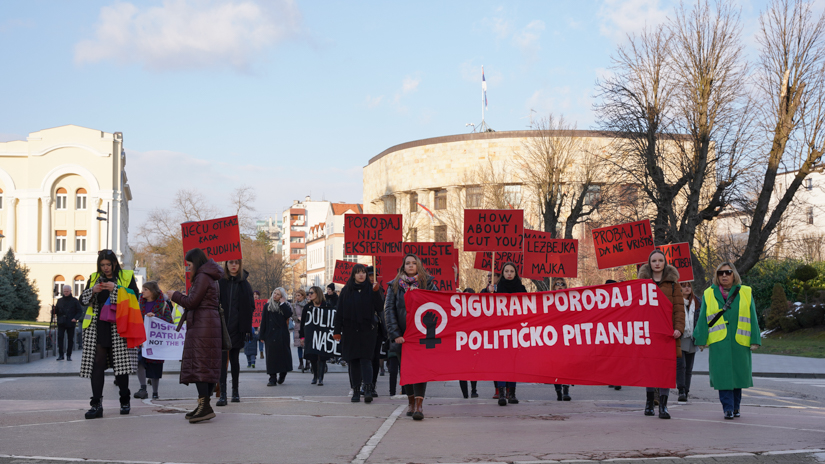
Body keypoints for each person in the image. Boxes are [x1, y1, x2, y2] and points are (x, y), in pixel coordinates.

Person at [693, 262, 761, 420]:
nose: (724, 275)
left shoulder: (745, 291)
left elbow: (753, 316)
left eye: (728, 272)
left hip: (740, 341)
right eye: (720, 273)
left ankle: (736, 407)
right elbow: (703, 317)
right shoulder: (708, 293)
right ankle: (728, 409)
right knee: (723, 377)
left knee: (738, 376)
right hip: (719, 342)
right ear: (716, 276)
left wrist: (755, 339)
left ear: (734, 274)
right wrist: (701, 339)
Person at [79, 249, 140, 419]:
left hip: (119, 325)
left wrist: (116, 288)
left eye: (108, 264)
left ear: (114, 263)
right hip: (98, 326)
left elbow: (135, 297)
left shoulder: (126, 276)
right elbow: (82, 300)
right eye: (102, 265)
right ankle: (96, 405)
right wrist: (93, 291)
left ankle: (125, 399)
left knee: (120, 366)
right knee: (96, 365)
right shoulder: (94, 277)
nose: (105, 268)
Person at [168, 248, 223, 423]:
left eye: (189, 265)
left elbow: (191, 302)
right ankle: (203, 405)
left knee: (201, 365)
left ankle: (204, 406)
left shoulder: (202, 277)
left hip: (203, 326)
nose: (188, 268)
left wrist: (174, 295)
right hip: (206, 324)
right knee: (204, 365)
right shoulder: (209, 277)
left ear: (196, 263)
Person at [385, 253, 438, 420]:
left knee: (420, 370)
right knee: (407, 371)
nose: (410, 266)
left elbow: (438, 303)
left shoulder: (427, 284)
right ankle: (411, 402)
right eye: (407, 263)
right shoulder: (394, 286)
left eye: (414, 263)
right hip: (403, 337)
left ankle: (419, 405)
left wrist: (421, 294)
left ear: (418, 265)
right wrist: (395, 334)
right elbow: (389, 311)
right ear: (403, 266)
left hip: (421, 336)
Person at [637, 250, 685, 419]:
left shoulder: (673, 284)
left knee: (666, 369)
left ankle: (663, 406)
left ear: (665, 263)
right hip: (649, 334)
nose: (657, 263)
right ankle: (649, 403)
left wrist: (679, 327)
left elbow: (679, 309)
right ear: (649, 264)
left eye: (660, 260)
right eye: (653, 261)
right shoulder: (642, 285)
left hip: (668, 334)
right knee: (649, 369)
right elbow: (636, 309)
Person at [333, 264, 384, 403]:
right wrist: (337, 331)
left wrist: (376, 293)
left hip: (368, 330)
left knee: (366, 360)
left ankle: (368, 388)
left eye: (363, 273)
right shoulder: (346, 291)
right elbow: (340, 312)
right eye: (358, 272)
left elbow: (380, 307)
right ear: (353, 275)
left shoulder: (371, 289)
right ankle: (355, 389)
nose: (361, 275)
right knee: (353, 361)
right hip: (350, 330)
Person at [217, 259, 254, 405]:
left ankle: (235, 392)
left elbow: (251, 306)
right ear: (226, 265)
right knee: (221, 362)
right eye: (231, 262)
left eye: (237, 263)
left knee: (235, 361)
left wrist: (244, 325)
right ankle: (223, 394)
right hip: (222, 326)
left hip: (238, 328)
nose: (234, 265)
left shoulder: (245, 284)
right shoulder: (220, 283)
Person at [488, 262, 526, 406]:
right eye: (506, 271)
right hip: (499, 331)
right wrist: (488, 293)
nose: (509, 273)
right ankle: (502, 393)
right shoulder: (495, 289)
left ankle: (512, 393)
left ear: (515, 273)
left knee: (513, 363)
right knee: (501, 363)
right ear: (502, 273)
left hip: (516, 332)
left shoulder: (522, 289)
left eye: (512, 271)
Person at [134, 281, 174, 400]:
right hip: (142, 339)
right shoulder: (139, 304)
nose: (143, 292)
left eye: (145, 289)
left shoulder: (163, 305)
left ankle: (155, 392)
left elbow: (169, 322)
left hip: (156, 341)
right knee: (139, 362)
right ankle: (143, 388)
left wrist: (155, 318)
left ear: (152, 291)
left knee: (155, 365)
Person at [259, 287, 293, 386]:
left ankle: (283, 374)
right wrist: (262, 336)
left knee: (283, 356)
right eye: (274, 293)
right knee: (271, 358)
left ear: (282, 296)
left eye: (278, 294)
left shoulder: (285, 305)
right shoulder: (267, 306)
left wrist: (282, 303)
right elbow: (264, 321)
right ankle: (272, 378)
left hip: (282, 335)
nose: (275, 295)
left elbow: (289, 314)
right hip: (270, 335)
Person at [300, 286, 329, 385]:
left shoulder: (326, 306)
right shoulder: (307, 307)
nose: (309, 295)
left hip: (322, 334)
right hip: (310, 334)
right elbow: (303, 323)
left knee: (322, 356)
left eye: (311, 293)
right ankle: (315, 375)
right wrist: (302, 337)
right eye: (308, 293)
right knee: (312, 356)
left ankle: (321, 377)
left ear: (318, 293)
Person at [678, 281, 701, 403]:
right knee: (681, 365)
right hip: (680, 338)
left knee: (689, 367)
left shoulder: (697, 302)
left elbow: (702, 319)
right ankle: (681, 390)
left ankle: (686, 390)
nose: (686, 288)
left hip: (692, 337)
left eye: (688, 286)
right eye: (683, 286)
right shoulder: (675, 302)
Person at [551, 278, 572, 401]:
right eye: (557, 284)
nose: (559, 286)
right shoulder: (547, 300)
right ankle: (558, 391)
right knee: (556, 366)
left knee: (566, 365)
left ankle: (566, 390)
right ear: (553, 286)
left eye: (562, 284)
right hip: (553, 336)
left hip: (566, 336)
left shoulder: (570, 300)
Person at [459, 287, 478, 399]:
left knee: (473, 368)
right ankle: (465, 394)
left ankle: (474, 389)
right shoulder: (458, 309)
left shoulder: (477, 309)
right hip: (461, 343)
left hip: (473, 342)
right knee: (462, 369)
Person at [54, 285, 82, 361]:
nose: (66, 293)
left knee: (70, 339)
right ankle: (61, 355)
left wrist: (75, 318)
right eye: (64, 291)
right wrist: (53, 311)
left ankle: (69, 355)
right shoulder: (59, 300)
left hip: (70, 322)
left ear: (70, 291)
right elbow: (56, 310)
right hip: (61, 322)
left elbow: (79, 311)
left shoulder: (75, 301)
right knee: (60, 338)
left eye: (67, 291)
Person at [604, 279, 623, 391]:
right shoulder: (601, 299)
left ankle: (617, 380)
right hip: (606, 331)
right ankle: (612, 378)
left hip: (618, 331)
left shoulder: (620, 298)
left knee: (617, 356)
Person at [292, 288, 308, 371]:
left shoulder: (308, 304)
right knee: (299, 345)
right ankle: (301, 363)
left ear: (303, 296)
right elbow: (293, 316)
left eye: (298, 295)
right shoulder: (295, 305)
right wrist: (297, 318)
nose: (297, 297)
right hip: (298, 326)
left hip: (306, 326)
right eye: (296, 295)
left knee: (307, 345)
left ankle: (308, 362)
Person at [254, 290, 264, 359]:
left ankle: (261, 352)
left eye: (257, 294)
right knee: (254, 339)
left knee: (261, 338)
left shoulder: (262, 303)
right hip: (253, 324)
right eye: (254, 294)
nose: (255, 295)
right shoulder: (251, 302)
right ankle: (254, 353)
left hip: (260, 324)